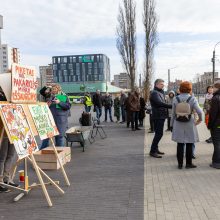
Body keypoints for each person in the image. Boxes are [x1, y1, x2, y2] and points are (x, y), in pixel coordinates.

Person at [171, 81, 202, 169]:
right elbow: (200, 111)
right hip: (189, 122)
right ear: (189, 89)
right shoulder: (192, 99)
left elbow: (173, 113)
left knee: (180, 143)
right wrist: (200, 120)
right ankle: (188, 164)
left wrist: (171, 125)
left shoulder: (175, 99)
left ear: (180, 89)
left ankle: (180, 164)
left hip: (178, 122)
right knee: (189, 143)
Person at [40, 84, 71, 149]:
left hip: (60, 120)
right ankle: (42, 151)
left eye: (54, 89)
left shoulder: (64, 96)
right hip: (49, 120)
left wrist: (59, 102)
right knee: (46, 137)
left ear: (58, 89)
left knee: (59, 138)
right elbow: (41, 92)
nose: (53, 90)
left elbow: (68, 106)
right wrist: (47, 86)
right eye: (52, 89)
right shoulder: (49, 95)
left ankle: (59, 153)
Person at [0, 88, 18, 192]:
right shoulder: (3, 96)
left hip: (12, 130)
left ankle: (7, 179)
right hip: (2, 131)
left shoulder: (12, 95)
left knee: (10, 156)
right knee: (2, 157)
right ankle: (1, 181)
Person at [149, 79, 172, 158]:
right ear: (156, 85)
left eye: (163, 84)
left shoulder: (160, 92)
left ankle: (155, 149)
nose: (163, 85)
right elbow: (159, 103)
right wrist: (171, 106)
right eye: (161, 84)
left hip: (160, 115)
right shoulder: (154, 93)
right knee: (159, 134)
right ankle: (152, 151)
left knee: (158, 134)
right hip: (158, 116)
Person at [208, 81, 220, 169]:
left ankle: (216, 162)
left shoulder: (216, 98)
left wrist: (210, 125)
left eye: (214, 87)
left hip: (217, 124)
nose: (212, 88)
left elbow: (213, 114)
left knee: (217, 143)